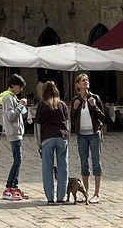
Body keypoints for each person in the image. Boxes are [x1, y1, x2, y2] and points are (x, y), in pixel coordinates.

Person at [33, 80, 71, 204]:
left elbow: (37, 126)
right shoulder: (62, 105)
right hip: (61, 137)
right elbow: (67, 124)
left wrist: (39, 143)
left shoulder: (42, 105)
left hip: (47, 138)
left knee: (47, 169)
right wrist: (67, 138)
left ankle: (50, 198)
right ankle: (61, 197)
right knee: (63, 168)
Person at [71, 73, 106, 203]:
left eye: (87, 80)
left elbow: (103, 117)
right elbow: (73, 119)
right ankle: (86, 193)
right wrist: (74, 108)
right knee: (84, 164)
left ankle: (96, 194)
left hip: (94, 134)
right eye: (83, 80)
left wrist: (94, 106)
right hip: (82, 136)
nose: (86, 82)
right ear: (78, 85)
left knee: (96, 163)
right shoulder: (76, 100)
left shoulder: (94, 98)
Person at [0, 75, 29, 201]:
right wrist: (21, 106)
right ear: (12, 85)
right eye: (19, 86)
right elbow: (11, 115)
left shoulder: (12, 98)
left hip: (17, 132)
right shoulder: (8, 98)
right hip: (13, 132)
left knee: (18, 159)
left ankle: (15, 187)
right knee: (18, 160)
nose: (20, 89)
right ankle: (9, 187)